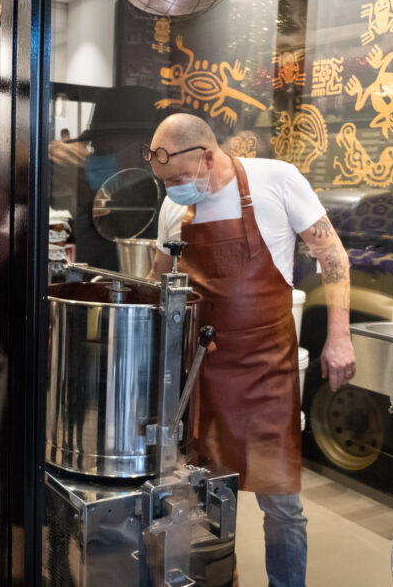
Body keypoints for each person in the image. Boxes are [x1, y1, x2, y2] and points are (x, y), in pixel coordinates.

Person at [149, 114, 356, 587]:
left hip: (266, 367)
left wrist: (339, 337)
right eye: (164, 182)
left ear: (206, 155)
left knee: (282, 505)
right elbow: (158, 283)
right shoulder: (173, 209)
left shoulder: (275, 180)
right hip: (202, 373)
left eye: (178, 179)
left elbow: (332, 255)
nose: (173, 189)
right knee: (203, 500)